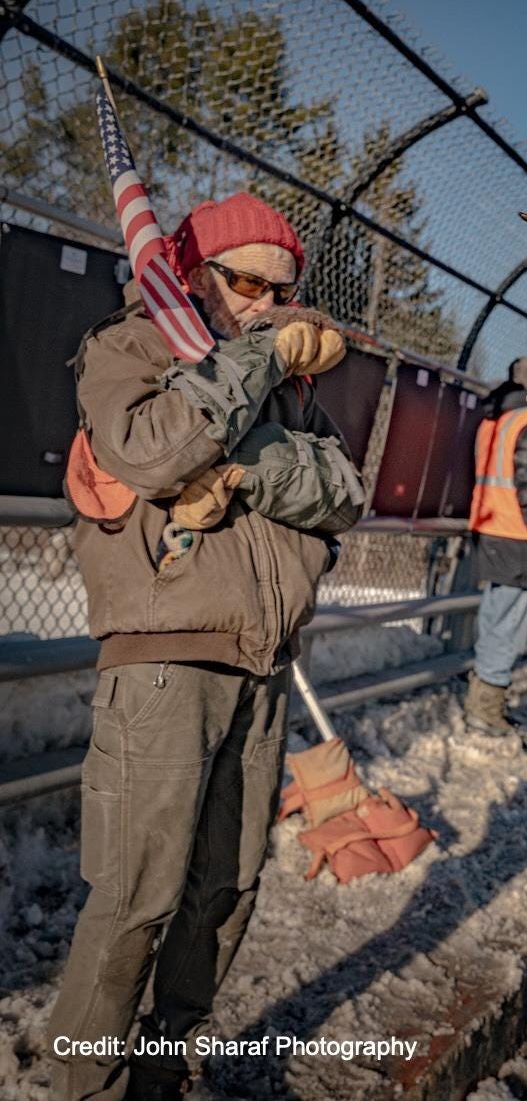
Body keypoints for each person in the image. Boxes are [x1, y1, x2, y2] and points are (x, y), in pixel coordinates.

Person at [48, 192, 366, 1100]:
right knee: (134, 898)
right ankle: (84, 1085)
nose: (269, 305)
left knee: (225, 891)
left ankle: (163, 1071)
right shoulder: (130, 347)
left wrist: (238, 465)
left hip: (262, 663)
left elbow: (345, 493)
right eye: (247, 284)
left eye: (282, 292)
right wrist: (260, 363)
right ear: (192, 274)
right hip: (164, 660)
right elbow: (154, 450)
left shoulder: (288, 386)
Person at [465, 357, 527, 735]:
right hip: (518, 536)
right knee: (508, 625)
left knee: (494, 618)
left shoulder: (495, 419)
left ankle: (481, 700)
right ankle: (486, 710)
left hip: (491, 528)